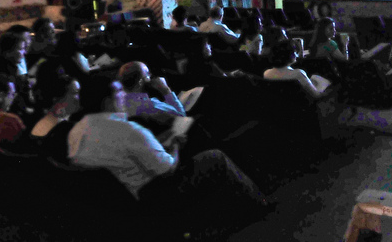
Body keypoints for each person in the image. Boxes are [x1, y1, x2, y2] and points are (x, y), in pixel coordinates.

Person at [67, 82, 269, 214]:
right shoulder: (128, 130)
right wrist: (176, 145)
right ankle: (259, 205)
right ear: (108, 101)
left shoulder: (75, 132)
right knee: (215, 157)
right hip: (158, 193)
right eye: (120, 94)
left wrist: (163, 142)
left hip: (119, 201)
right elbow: (169, 169)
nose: (124, 97)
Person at [115, 61, 185, 117]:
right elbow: (181, 117)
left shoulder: (118, 103)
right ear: (140, 81)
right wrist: (165, 90)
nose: (151, 77)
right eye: (147, 74)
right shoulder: (152, 106)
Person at [263, 39, 328, 98]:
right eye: (295, 51)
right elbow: (316, 95)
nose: (296, 54)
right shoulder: (298, 74)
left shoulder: (266, 73)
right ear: (291, 55)